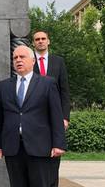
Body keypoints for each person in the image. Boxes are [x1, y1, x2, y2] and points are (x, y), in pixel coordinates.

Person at [0, 45, 66, 187]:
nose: (18, 60)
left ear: (33, 61)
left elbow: (56, 115)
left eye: (22, 57)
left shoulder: (47, 83)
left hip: (39, 147)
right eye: (15, 58)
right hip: (13, 148)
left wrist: (58, 144)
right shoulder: (3, 86)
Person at [32, 30, 70, 187]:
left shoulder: (58, 62)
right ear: (33, 43)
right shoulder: (26, 61)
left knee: (54, 159)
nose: (40, 41)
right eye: (37, 39)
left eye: (43, 38)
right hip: (33, 118)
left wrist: (65, 117)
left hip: (55, 118)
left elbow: (64, 91)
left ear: (48, 41)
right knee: (35, 159)